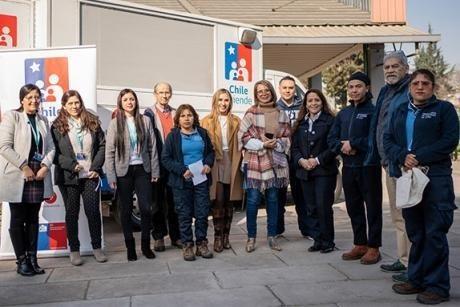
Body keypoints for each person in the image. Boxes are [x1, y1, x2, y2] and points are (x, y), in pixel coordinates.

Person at [384, 69, 459, 305]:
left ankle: (437, 286)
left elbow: (449, 140)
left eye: (425, 83)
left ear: (433, 87)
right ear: (409, 87)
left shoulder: (443, 110)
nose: (420, 87)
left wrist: (418, 156)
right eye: (415, 83)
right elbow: (388, 140)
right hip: (408, 178)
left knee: (434, 232)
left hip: (435, 179)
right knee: (415, 231)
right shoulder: (400, 111)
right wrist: (402, 156)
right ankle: (416, 278)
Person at [365, 50, 412, 282]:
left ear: (405, 68)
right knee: (397, 216)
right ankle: (404, 259)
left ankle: (412, 264)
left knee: (408, 216)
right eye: (387, 67)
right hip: (389, 164)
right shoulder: (385, 91)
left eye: (395, 66)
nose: (390, 70)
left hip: (404, 164)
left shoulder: (411, 90)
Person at [328, 72, 382, 265]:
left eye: (358, 86)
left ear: (367, 88)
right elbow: (331, 138)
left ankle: (374, 247)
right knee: (353, 207)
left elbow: (375, 138)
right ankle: (360, 243)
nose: (354, 90)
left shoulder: (374, 111)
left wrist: (354, 144)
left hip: (369, 166)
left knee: (373, 208)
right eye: (351, 87)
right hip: (349, 168)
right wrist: (342, 146)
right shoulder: (343, 113)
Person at [0, 84, 55, 276]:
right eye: (29, 97)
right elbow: (4, 146)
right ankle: (21, 260)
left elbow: (51, 147)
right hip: (18, 174)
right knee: (18, 218)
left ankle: (33, 259)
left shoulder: (43, 120)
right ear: (22, 99)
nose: (34, 100)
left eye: (37, 97)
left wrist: (45, 166)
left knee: (33, 218)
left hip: (38, 173)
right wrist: (24, 167)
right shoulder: (12, 117)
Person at [51, 90, 107, 266]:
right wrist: (72, 165)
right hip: (69, 177)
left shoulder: (92, 121)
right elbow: (54, 153)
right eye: (70, 104)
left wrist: (96, 167)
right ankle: (74, 250)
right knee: (72, 213)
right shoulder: (57, 126)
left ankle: (97, 248)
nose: (74, 106)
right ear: (64, 106)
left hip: (90, 175)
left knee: (93, 212)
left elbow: (102, 146)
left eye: (77, 103)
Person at [105, 88, 160, 261]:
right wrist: (111, 176)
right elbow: (110, 151)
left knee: (145, 208)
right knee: (126, 210)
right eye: (126, 99)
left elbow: (152, 147)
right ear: (120, 103)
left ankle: (145, 246)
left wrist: (155, 170)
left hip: (142, 170)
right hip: (124, 171)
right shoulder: (115, 123)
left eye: (132, 99)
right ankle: (130, 247)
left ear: (136, 101)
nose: (129, 102)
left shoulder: (145, 121)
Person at [238, 80, 291, 252]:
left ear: (271, 92)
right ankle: (251, 237)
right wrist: (262, 145)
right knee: (253, 201)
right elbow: (243, 137)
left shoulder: (281, 113)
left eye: (266, 90)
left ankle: (272, 236)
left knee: (273, 200)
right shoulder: (251, 112)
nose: (263, 93)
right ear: (256, 94)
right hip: (254, 161)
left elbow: (287, 138)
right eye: (259, 91)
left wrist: (276, 144)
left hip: (275, 162)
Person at [161, 104, 215, 261]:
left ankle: (202, 244)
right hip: (181, 181)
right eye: (183, 116)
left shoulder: (202, 133)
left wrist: (207, 164)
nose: (186, 119)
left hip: (201, 180)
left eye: (189, 115)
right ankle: (187, 245)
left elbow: (211, 152)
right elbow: (166, 158)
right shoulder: (173, 137)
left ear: (194, 117)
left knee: (202, 213)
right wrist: (181, 170)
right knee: (184, 215)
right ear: (178, 118)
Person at [291, 89, 338, 253]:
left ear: (322, 101)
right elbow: (294, 147)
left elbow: (334, 147)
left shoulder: (330, 121)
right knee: (310, 207)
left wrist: (317, 160)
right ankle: (317, 239)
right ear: (305, 104)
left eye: (316, 100)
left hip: (324, 171)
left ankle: (327, 241)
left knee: (323, 206)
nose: (313, 103)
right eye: (310, 101)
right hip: (305, 171)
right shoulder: (300, 123)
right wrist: (301, 161)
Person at [201, 89, 243, 252]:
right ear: (215, 102)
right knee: (218, 199)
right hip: (215, 161)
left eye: (226, 100)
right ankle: (217, 237)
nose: (223, 104)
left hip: (232, 159)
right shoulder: (206, 121)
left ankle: (226, 237)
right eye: (220, 100)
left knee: (229, 200)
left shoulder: (236, 121)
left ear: (230, 102)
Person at [144, 82, 181, 252]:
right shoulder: (149, 113)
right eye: (161, 92)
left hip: (173, 165)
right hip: (157, 164)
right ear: (155, 94)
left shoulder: (175, 113)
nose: (164, 95)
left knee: (175, 202)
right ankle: (158, 237)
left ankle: (176, 236)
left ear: (171, 94)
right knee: (157, 203)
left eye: (167, 92)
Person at [275, 76, 305, 237]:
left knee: (300, 193)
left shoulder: (303, 107)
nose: (287, 90)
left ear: (295, 89)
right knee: (279, 194)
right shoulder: (274, 107)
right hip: (280, 156)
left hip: (298, 155)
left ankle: (306, 229)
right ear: (279, 89)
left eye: (291, 88)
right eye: (284, 87)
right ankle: (278, 230)